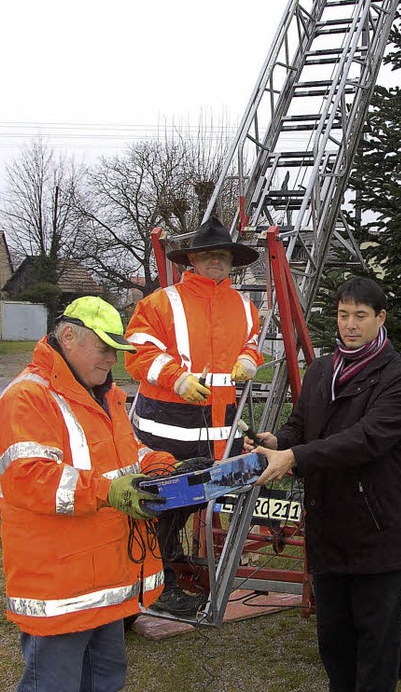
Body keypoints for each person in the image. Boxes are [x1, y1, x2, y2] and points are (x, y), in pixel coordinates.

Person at [245, 276, 401, 692]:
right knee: (335, 642)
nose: (350, 325)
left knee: (377, 645)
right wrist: (279, 442)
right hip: (328, 528)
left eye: (361, 316)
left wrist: (297, 456)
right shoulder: (323, 369)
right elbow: (302, 425)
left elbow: (366, 439)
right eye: (344, 315)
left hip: (377, 531)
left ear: (380, 318)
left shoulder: (400, 378)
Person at [0, 296, 175, 692]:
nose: (113, 360)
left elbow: (126, 453)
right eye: (104, 349)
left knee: (106, 679)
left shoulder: (104, 395)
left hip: (104, 576)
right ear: (68, 336)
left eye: (116, 351)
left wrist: (156, 462)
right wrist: (111, 492)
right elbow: (31, 479)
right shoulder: (27, 398)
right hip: (60, 584)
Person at [124, 215, 263, 617]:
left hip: (219, 433)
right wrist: (177, 379)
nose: (215, 262)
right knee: (160, 507)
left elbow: (252, 343)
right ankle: (156, 585)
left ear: (231, 261)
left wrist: (248, 359)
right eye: (207, 255)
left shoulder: (245, 306)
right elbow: (138, 354)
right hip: (163, 431)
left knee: (194, 505)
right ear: (192, 261)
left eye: (221, 255)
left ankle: (176, 573)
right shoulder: (159, 302)